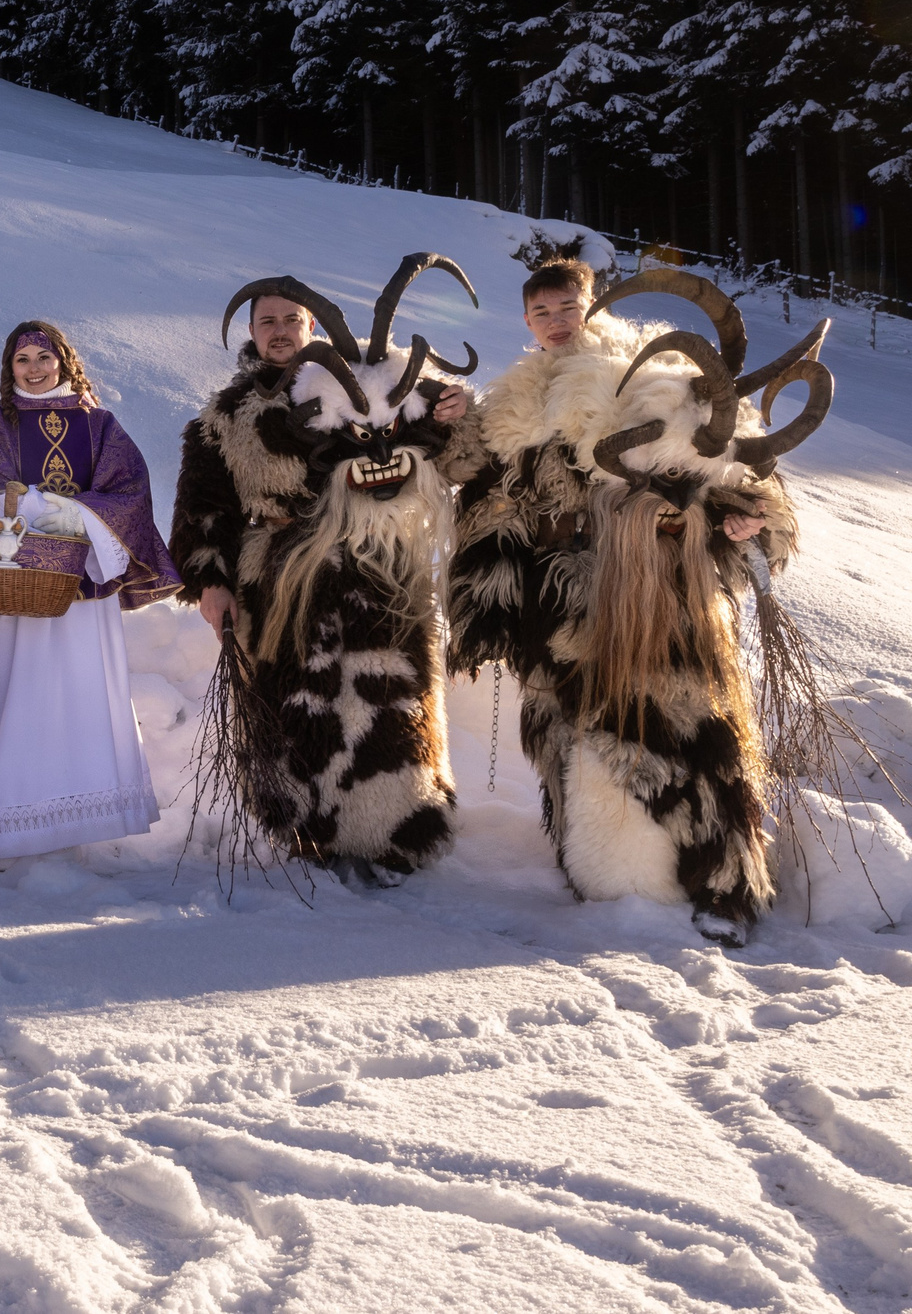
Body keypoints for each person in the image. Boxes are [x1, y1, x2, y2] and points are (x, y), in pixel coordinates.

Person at [440, 260, 798, 945]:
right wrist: (451, 420)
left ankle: (721, 878)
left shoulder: (644, 372)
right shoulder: (514, 403)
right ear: (527, 322)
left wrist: (744, 511)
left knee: (683, 717)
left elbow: (716, 452)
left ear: (591, 302)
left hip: (647, 578)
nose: (557, 320)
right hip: (549, 586)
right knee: (564, 721)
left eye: (568, 305)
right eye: (542, 312)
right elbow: (472, 477)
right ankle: (605, 877)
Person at [166, 260, 474, 885]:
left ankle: (395, 829)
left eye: (291, 320)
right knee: (290, 702)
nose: (279, 331)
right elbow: (204, 507)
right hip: (277, 577)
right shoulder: (225, 415)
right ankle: (307, 830)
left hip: (378, 569)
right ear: (250, 332)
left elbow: (445, 455)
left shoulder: (368, 382)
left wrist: (454, 413)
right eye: (267, 322)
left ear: (311, 325)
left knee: (390, 699)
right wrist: (210, 581)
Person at [0, 321, 178, 866]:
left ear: (65, 361)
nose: (34, 369)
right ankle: (16, 829)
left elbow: (129, 492)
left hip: (82, 591)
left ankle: (82, 828)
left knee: (82, 695)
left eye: (44, 357)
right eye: (22, 360)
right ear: (8, 369)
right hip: (9, 590)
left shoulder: (99, 425)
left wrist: (76, 512)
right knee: (16, 701)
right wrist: (33, 510)